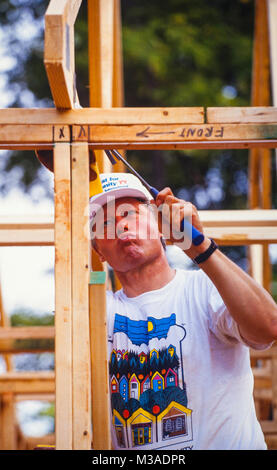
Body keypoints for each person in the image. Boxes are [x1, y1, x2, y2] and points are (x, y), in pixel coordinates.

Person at [89, 172, 277, 451]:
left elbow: (269, 327)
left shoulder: (205, 288)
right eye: (104, 223)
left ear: (159, 223)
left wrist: (198, 245)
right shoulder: (97, 311)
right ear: (98, 251)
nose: (120, 226)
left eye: (131, 213)